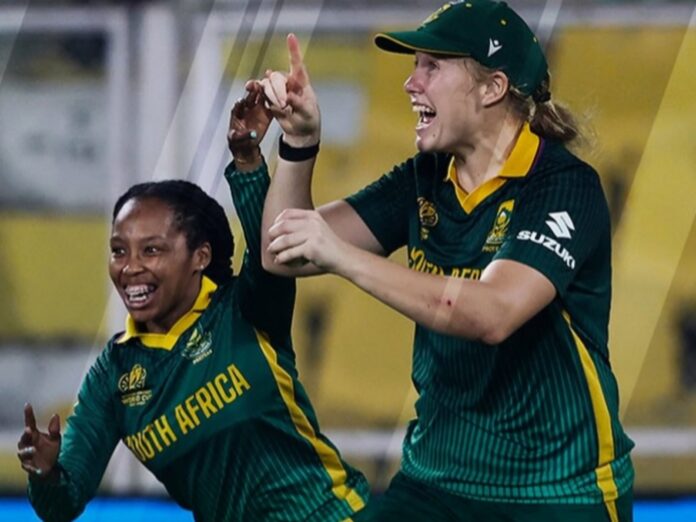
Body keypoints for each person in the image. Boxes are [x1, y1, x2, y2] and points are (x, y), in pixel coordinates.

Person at [254, 1, 634, 521]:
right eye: (415, 66)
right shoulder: (425, 177)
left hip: (560, 491)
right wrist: (298, 143)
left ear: (492, 87)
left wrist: (340, 255)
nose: (411, 83)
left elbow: (493, 313)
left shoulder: (565, 186)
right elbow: (281, 252)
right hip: (437, 481)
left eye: (432, 66)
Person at [16, 86, 369, 522]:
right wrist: (46, 474)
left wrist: (247, 161)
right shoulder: (113, 375)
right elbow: (63, 504)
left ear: (200, 256)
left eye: (151, 250)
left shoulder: (245, 309)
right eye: (119, 251)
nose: (130, 268)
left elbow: (272, 247)